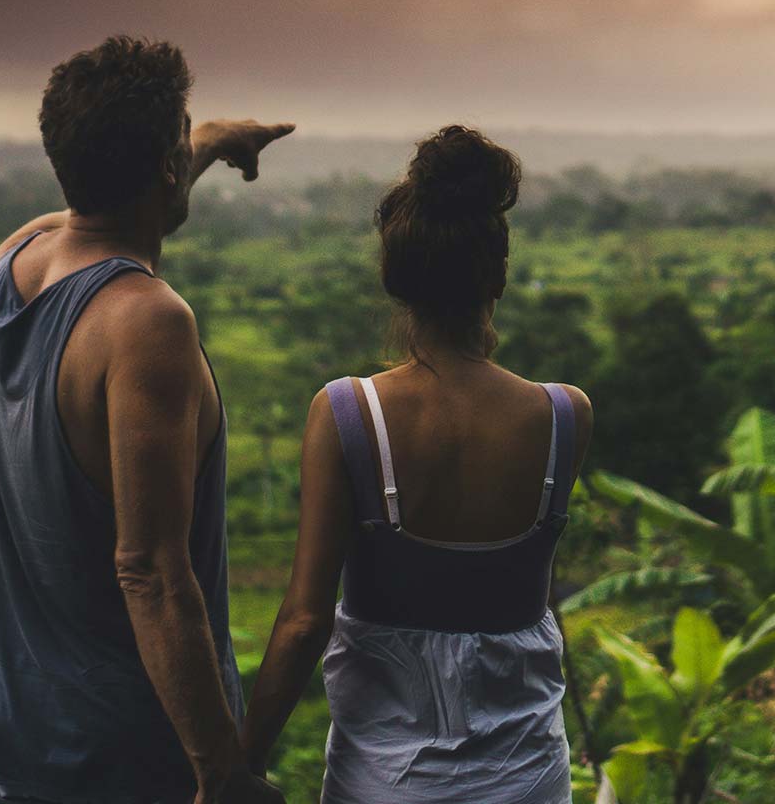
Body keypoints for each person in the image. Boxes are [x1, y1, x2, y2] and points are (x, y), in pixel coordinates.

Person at [0, 35, 293, 804]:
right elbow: (150, 571)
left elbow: (107, 209)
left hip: (11, 750)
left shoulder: (14, 258)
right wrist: (222, 773)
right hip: (122, 765)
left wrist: (207, 141)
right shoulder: (145, 322)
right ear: (167, 166)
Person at [241, 126, 591, 803]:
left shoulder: (348, 415)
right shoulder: (564, 417)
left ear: (396, 279)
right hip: (529, 779)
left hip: (382, 781)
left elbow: (305, 621)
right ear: (498, 274)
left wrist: (241, 764)